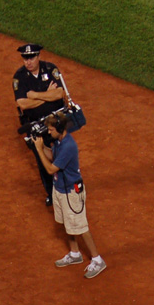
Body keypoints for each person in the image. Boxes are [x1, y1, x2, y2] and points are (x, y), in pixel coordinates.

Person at [41, 112, 106, 279]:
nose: (48, 132)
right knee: (67, 224)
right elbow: (53, 158)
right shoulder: (58, 141)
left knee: (81, 227)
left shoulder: (69, 145)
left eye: (50, 129)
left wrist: (37, 149)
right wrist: (39, 147)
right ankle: (75, 254)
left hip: (71, 192)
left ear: (60, 129)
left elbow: (50, 169)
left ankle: (98, 260)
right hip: (60, 189)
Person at [14, 43, 68, 202]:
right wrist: (47, 94)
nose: (28, 61)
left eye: (31, 57)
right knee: (41, 157)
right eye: (25, 58)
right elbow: (22, 104)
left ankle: (66, 186)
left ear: (38, 57)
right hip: (35, 123)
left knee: (62, 152)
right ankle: (51, 194)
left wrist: (35, 96)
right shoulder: (20, 77)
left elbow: (60, 93)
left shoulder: (51, 69)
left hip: (55, 120)